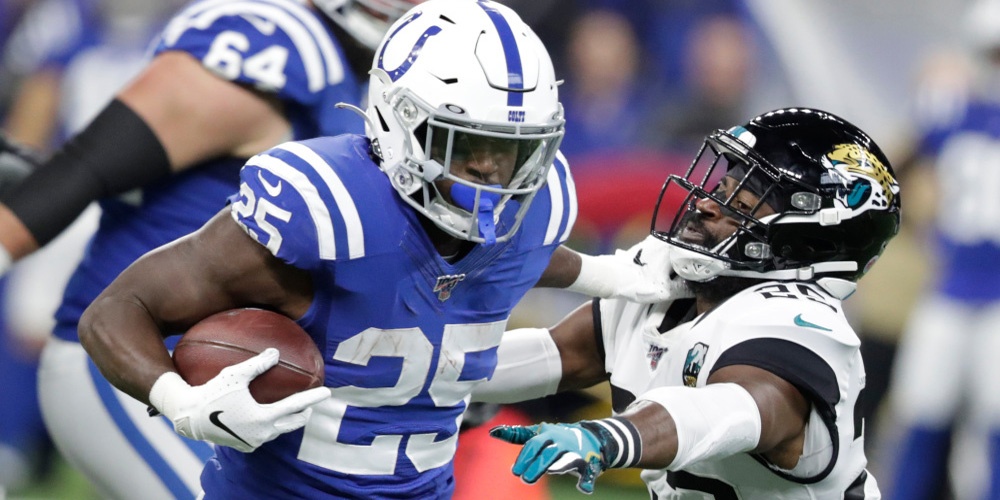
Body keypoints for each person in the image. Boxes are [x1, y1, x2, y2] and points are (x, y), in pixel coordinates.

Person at [75, 0, 674, 497]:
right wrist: (183, 402)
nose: (493, 176)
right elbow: (116, 311)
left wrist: (615, 274)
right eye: (468, 146)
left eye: (515, 151)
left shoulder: (532, 216)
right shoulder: (328, 210)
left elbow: (525, 259)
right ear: (401, 123)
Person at [0, 0, 424, 497]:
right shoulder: (271, 46)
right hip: (141, 362)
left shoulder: (387, 84)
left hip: (271, 381)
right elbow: (81, 170)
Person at [477, 108, 901, 498]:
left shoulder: (803, 323)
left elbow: (727, 410)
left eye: (742, 203)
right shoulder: (677, 283)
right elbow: (559, 354)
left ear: (804, 241)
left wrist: (609, 438)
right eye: (721, 188)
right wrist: (444, 367)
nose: (705, 204)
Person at [882, 1, 1000, 498]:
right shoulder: (952, 108)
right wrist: (917, 229)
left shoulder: (955, 109)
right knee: (921, 415)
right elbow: (887, 172)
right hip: (949, 288)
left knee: (993, 427)